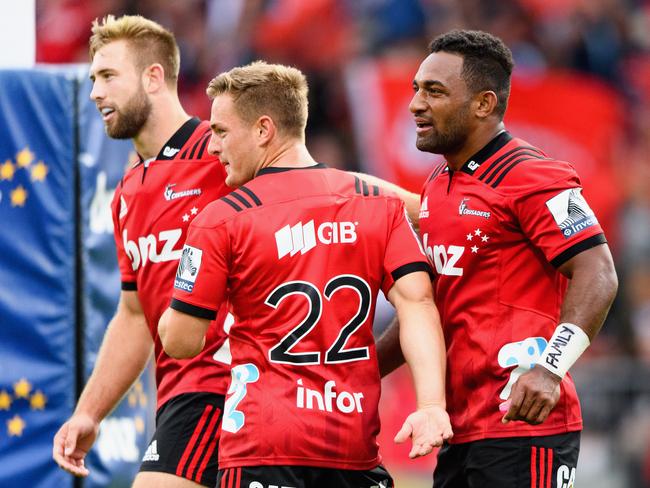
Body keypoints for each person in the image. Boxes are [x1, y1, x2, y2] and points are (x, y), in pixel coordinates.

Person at [158, 60, 453, 488]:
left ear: (263, 130)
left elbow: (181, 341)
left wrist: (173, 304)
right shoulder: (376, 202)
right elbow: (419, 304)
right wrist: (430, 404)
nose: (212, 147)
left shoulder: (220, 219)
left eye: (221, 132)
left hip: (263, 445)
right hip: (354, 448)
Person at [374, 30, 618, 487]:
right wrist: (358, 373)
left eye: (434, 91)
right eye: (415, 90)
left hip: (522, 426)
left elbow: (598, 271)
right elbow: (427, 307)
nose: (415, 105)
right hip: (459, 428)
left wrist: (550, 368)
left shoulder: (533, 175)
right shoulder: (439, 185)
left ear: (484, 103)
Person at [52, 15, 232, 487]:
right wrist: (89, 413)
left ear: (154, 77)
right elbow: (134, 315)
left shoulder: (219, 153)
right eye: (93, 78)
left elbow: (316, 185)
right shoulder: (128, 193)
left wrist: (416, 207)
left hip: (225, 386)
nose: (94, 92)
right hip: (179, 396)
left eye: (108, 76)